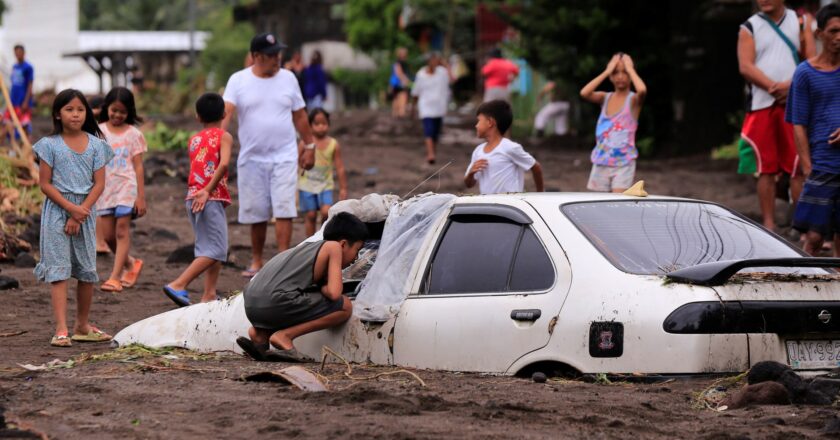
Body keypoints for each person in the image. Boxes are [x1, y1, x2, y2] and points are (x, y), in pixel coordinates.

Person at [222, 33, 316, 278]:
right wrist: (214, 142)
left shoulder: (288, 78)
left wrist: (310, 146)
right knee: (257, 212)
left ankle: (283, 260)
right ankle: (257, 261)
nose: (277, 58)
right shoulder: (238, 80)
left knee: (284, 208)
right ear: (256, 56)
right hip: (251, 158)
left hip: (284, 155)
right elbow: (226, 113)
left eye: (278, 53)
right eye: (271, 55)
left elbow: (300, 115)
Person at [33, 89, 114, 347]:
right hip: (57, 212)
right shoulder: (49, 145)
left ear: (87, 113)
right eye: (69, 109)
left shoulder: (97, 145)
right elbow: (45, 184)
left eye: (80, 109)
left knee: (86, 270)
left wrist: (80, 213)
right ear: (58, 114)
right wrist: (71, 209)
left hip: (86, 212)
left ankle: (82, 325)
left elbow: (99, 184)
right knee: (59, 270)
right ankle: (61, 329)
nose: (76, 114)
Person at [236, 212, 367, 362]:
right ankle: (285, 336)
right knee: (345, 306)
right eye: (357, 250)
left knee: (296, 300)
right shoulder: (334, 247)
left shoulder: (305, 249)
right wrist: (325, 289)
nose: (356, 258)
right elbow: (335, 293)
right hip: (275, 301)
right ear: (343, 244)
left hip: (251, 304)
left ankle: (260, 335)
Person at [738, 0, 815, 230]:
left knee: (798, 166)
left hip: (796, 104)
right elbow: (746, 66)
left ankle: (800, 226)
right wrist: (775, 86)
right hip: (762, 104)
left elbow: (811, 60)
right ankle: (769, 224)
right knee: (766, 168)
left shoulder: (801, 22)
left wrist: (791, 87)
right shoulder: (748, 27)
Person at [163, 93, 233, 306]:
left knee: (208, 247)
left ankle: (209, 294)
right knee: (218, 249)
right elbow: (223, 164)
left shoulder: (194, 140)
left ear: (197, 116)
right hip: (207, 197)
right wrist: (208, 190)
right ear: (223, 114)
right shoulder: (224, 136)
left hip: (193, 196)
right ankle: (178, 284)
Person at [786, 3, 840, 256]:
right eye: (833, 31)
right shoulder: (805, 73)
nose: (839, 37)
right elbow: (798, 123)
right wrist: (807, 167)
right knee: (815, 236)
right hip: (822, 164)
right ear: (819, 34)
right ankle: (804, 284)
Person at [96, 87, 147, 293]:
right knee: (108, 237)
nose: (117, 115)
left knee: (121, 231)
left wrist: (141, 197)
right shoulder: (99, 132)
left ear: (129, 112)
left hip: (127, 187)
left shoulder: (134, 134)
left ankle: (115, 277)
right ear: (107, 108)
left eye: (122, 112)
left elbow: (138, 167)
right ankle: (131, 263)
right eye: (113, 110)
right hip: (106, 189)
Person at [579, 53, 647, 193]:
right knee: (599, 205)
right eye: (616, 72)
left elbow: (642, 90)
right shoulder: (605, 98)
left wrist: (630, 68)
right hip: (601, 161)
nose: (620, 76)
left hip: (624, 163)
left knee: (618, 203)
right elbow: (584, 93)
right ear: (611, 76)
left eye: (625, 72)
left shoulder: (633, 101)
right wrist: (606, 71)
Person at [465, 100, 543, 194]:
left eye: (479, 121)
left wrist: (540, 194)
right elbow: (469, 184)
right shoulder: (478, 151)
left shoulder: (510, 148)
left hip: (510, 206)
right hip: (488, 206)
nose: (476, 125)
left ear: (490, 122)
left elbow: (536, 167)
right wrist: (471, 174)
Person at [298, 108, 347, 238]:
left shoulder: (333, 144)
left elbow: (340, 167)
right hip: (306, 185)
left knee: (326, 212)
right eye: (317, 124)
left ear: (328, 124)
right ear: (310, 125)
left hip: (326, 185)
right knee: (310, 214)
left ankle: (322, 237)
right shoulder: (305, 144)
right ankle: (309, 242)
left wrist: (343, 188)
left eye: (324, 123)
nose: (321, 127)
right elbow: (297, 163)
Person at [411, 52, 453, 164]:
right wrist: (413, 107)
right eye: (433, 60)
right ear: (428, 62)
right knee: (428, 130)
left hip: (439, 107)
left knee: (435, 133)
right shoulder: (421, 74)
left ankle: (432, 151)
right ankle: (431, 154)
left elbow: (452, 78)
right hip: (426, 107)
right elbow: (416, 92)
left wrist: (445, 64)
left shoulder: (442, 73)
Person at [3, 44, 34, 138]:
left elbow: (30, 85)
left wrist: (26, 101)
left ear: (24, 53)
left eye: (20, 53)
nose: (18, 55)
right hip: (14, 101)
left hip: (23, 101)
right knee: (9, 122)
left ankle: (27, 146)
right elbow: (13, 84)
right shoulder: (15, 67)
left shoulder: (28, 67)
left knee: (24, 124)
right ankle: (14, 146)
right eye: (16, 53)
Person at [389, 47, 412, 118]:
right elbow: (399, 73)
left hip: (395, 83)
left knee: (396, 97)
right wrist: (406, 80)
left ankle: (396, 112)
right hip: (400, 83)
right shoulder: (399, 63)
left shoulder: (397, 62)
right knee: (403, 95)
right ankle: (401, 112)